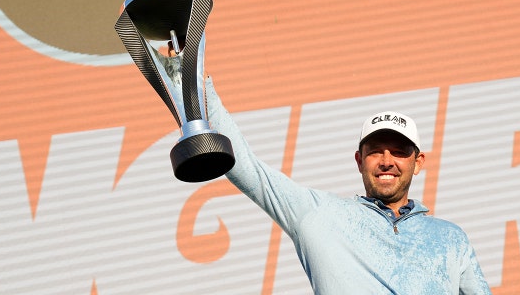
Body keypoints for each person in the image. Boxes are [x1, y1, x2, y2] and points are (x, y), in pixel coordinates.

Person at [204, 76, 491, 294]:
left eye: (400, 151)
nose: (387, 161)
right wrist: (198, 88)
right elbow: (246, 169)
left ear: (418, 162)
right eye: (376, 150)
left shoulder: (451, 238)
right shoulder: (319, 214)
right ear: (359, 160)